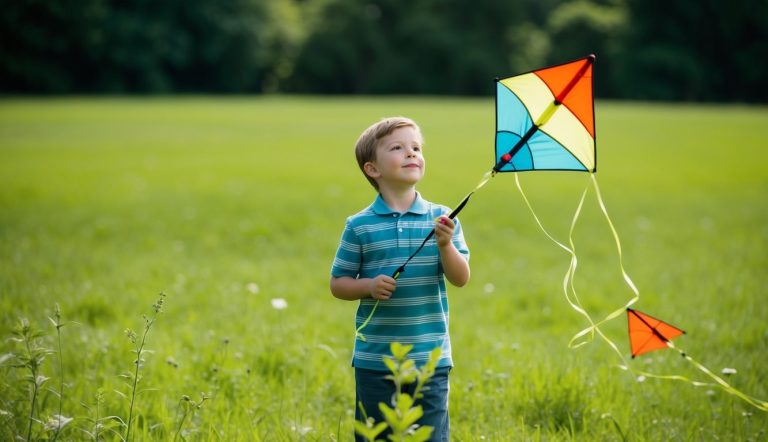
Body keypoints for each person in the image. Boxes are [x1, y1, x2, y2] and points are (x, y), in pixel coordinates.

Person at [330, 116, 470, 441]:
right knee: (376, 436)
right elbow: (338, 283)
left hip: (429, 359)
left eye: (416, 148)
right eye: (398, 148)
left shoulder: (442, 219)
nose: (412, 154)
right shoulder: (359, 226)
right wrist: (367, 285)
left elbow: (461, 278)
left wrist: (446, 245)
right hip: (375, 359)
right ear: (373, 169)